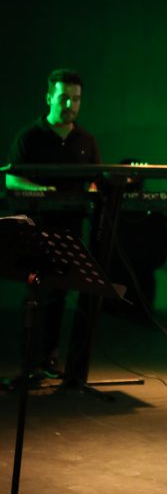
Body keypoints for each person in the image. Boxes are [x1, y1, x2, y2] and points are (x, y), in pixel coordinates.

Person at [5, 68, 100, 376]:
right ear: (49, 98)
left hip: (71, 228)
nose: (70, 104)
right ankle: (30, 362)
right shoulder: (29, 136)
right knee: (36, 292)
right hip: (35, 227)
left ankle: (48, 359)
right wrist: (43, 191)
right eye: (63, 98)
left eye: (76, 99)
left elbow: (94, 180)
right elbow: (12, 179)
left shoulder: (85, 140)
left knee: (60, 293)